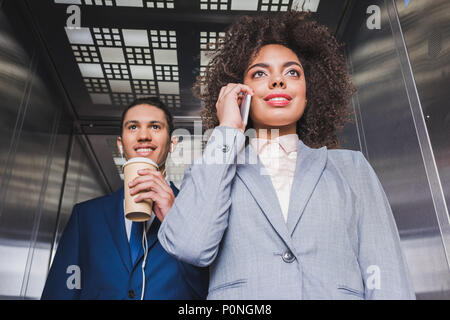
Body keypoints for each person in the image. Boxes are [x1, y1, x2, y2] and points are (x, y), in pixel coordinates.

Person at [158, 11, 416, 299]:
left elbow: (386, 273)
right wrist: (228, 129)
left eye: (292, 72)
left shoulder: (352, 167)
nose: (278, 81)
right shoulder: (215, 168)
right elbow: (190, 245)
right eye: (260, 73)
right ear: (239, 92)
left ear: (309, 91)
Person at [41, 97, 209, 300]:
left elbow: (208, 290)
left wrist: (176, 220)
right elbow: (61, 291)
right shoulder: (85, 216)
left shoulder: (197, 212)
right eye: (133, 127)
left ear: (173, 144)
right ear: (120, 144)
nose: (144, 136)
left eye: (155, 127)